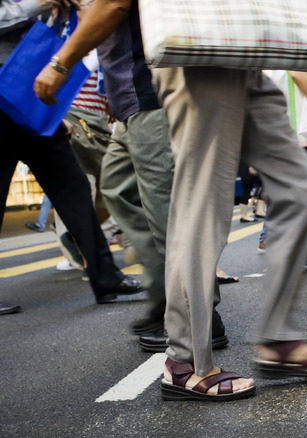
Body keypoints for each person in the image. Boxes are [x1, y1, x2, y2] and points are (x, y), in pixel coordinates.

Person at [33, 0, 229, 351]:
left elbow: (113, 4)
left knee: (167, 206)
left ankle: (197, 317)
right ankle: (166, 300)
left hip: (154, 91)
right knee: (118, 188)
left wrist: (60, 63)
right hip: (134, 95)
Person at [2, 0, 142, 309]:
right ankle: (105, 276)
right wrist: (35, 5)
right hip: (4, 93)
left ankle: (105, 277)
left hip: (28, 96)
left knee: (73, 186)